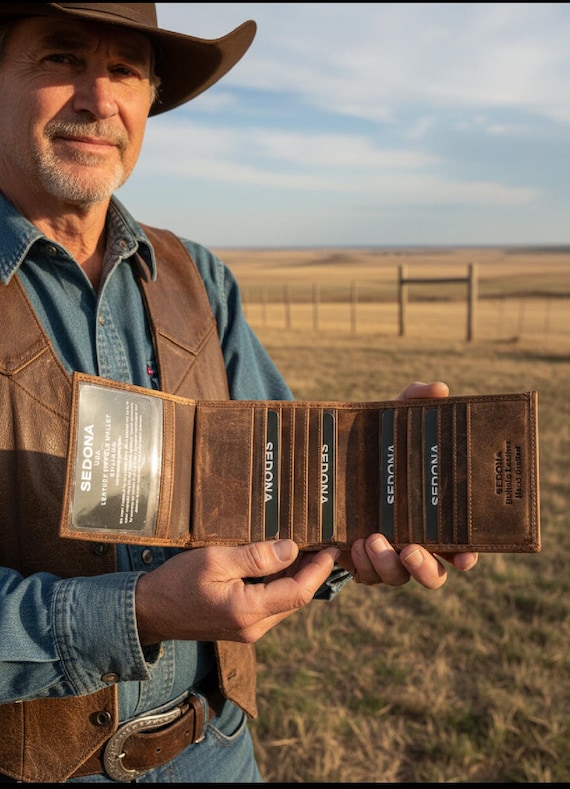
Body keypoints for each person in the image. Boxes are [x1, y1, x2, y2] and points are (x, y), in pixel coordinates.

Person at [0, 3, 478, 784]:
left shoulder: (199, 280)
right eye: (59, 58)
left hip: (213, 751)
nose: (97, 96)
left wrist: (381, 489)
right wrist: (138, 611)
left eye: (123, 69)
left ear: (149, 98)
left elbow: (290, 490)